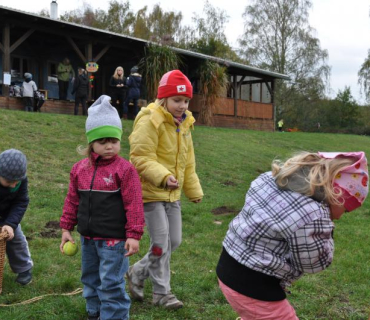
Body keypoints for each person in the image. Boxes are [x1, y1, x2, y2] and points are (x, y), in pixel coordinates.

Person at [216, 151, 369, 320]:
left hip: (228, 265)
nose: (340, 216)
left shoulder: (271, 179)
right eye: (346, 210)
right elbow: (313, 263)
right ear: (336, 194)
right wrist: (327, 229)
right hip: (253, 286)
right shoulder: (313, 215)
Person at [59, 95, 145, 320]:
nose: (109, 146)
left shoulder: (125, 170)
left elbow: (134, 204)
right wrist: (66, 229)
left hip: (114, 242)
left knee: (111, 283)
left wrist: (134, 235)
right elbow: (71, 201)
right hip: (88, 239)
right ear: (91, 143)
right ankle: (94, 312)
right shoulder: (79, 170)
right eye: (103, 141)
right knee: (90, 278)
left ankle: (114, 316)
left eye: (114, 140)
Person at [127, 70, 204, 309]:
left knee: (174, 241)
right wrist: (163, 176)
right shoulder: (150, 119)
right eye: (177, 100)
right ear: (164, 99)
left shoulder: (185, 124)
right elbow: (139, 157)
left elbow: (188, 162)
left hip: (173, 195)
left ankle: (137, 272)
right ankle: (162, 294)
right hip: (151, 192)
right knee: (160, 243)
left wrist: (193, 190)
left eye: (186, 101)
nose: (182, 106)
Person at [0, 149, 33, 286]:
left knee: (17, 240)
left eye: (17, 182)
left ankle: (24, 269)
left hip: (8, 217)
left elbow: (21, 202)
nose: (14, 185)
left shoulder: (20, 181)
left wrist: (10, 224)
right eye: (9, 181)